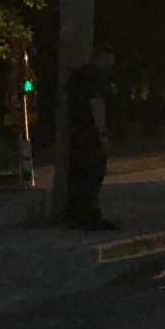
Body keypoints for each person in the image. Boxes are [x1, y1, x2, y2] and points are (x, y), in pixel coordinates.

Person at [64, 45, 118, 230]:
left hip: (76, 133)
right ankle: (90, 216)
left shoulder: (76, 76)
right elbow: (96, 105)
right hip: (91, 134)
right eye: (109, 59)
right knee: (93, 174)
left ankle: (75, 214)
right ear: (102, 57)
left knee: (78, 174)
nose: (111, 63)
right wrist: (102, 133)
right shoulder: (96, 77)